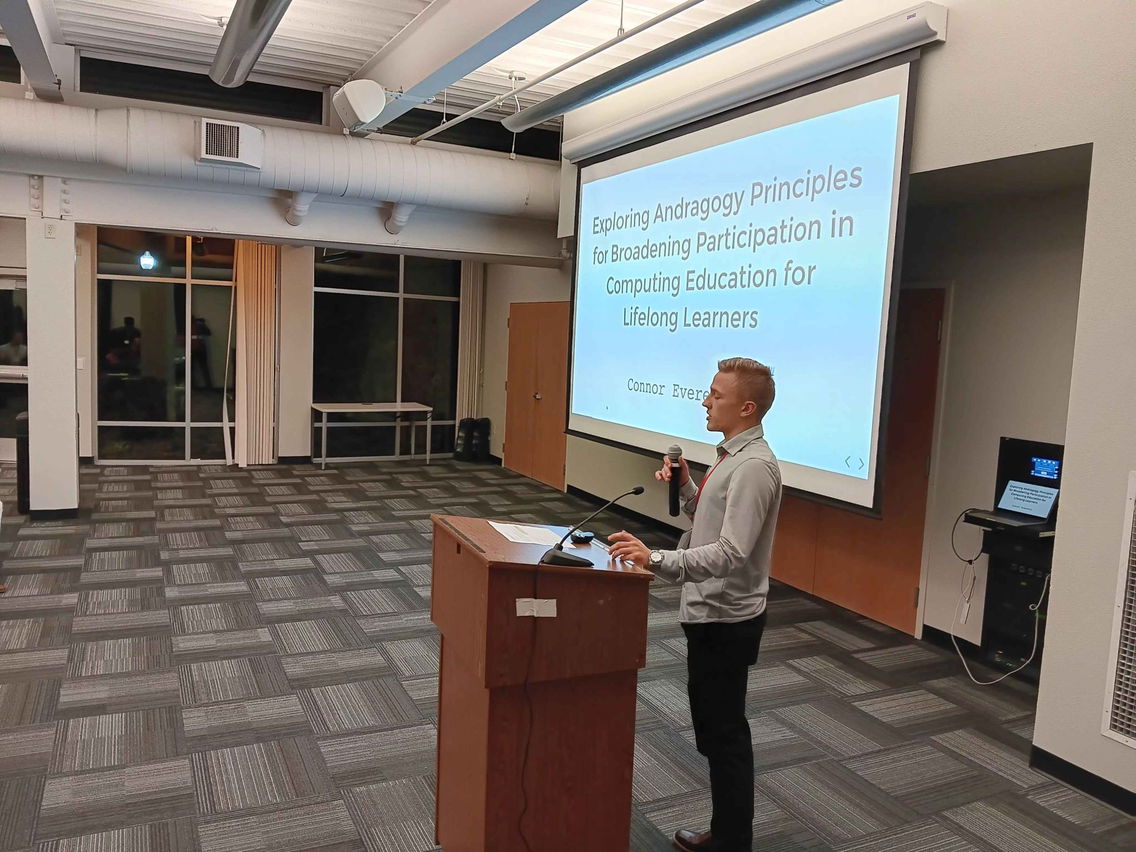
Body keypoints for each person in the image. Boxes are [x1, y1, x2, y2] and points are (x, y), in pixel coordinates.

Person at [608, 357, 782, 852]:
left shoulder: (752, 468)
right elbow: (704, 517)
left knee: (725, 737)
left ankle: (732, 843)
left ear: (746, 407)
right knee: (714, 730)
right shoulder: (730, 457)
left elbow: (731, 552)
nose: (705, 401)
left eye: (715, 395)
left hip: (727, 619)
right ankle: (726, 833)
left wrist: (655, 558)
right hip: (709, 613)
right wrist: (686, 483)